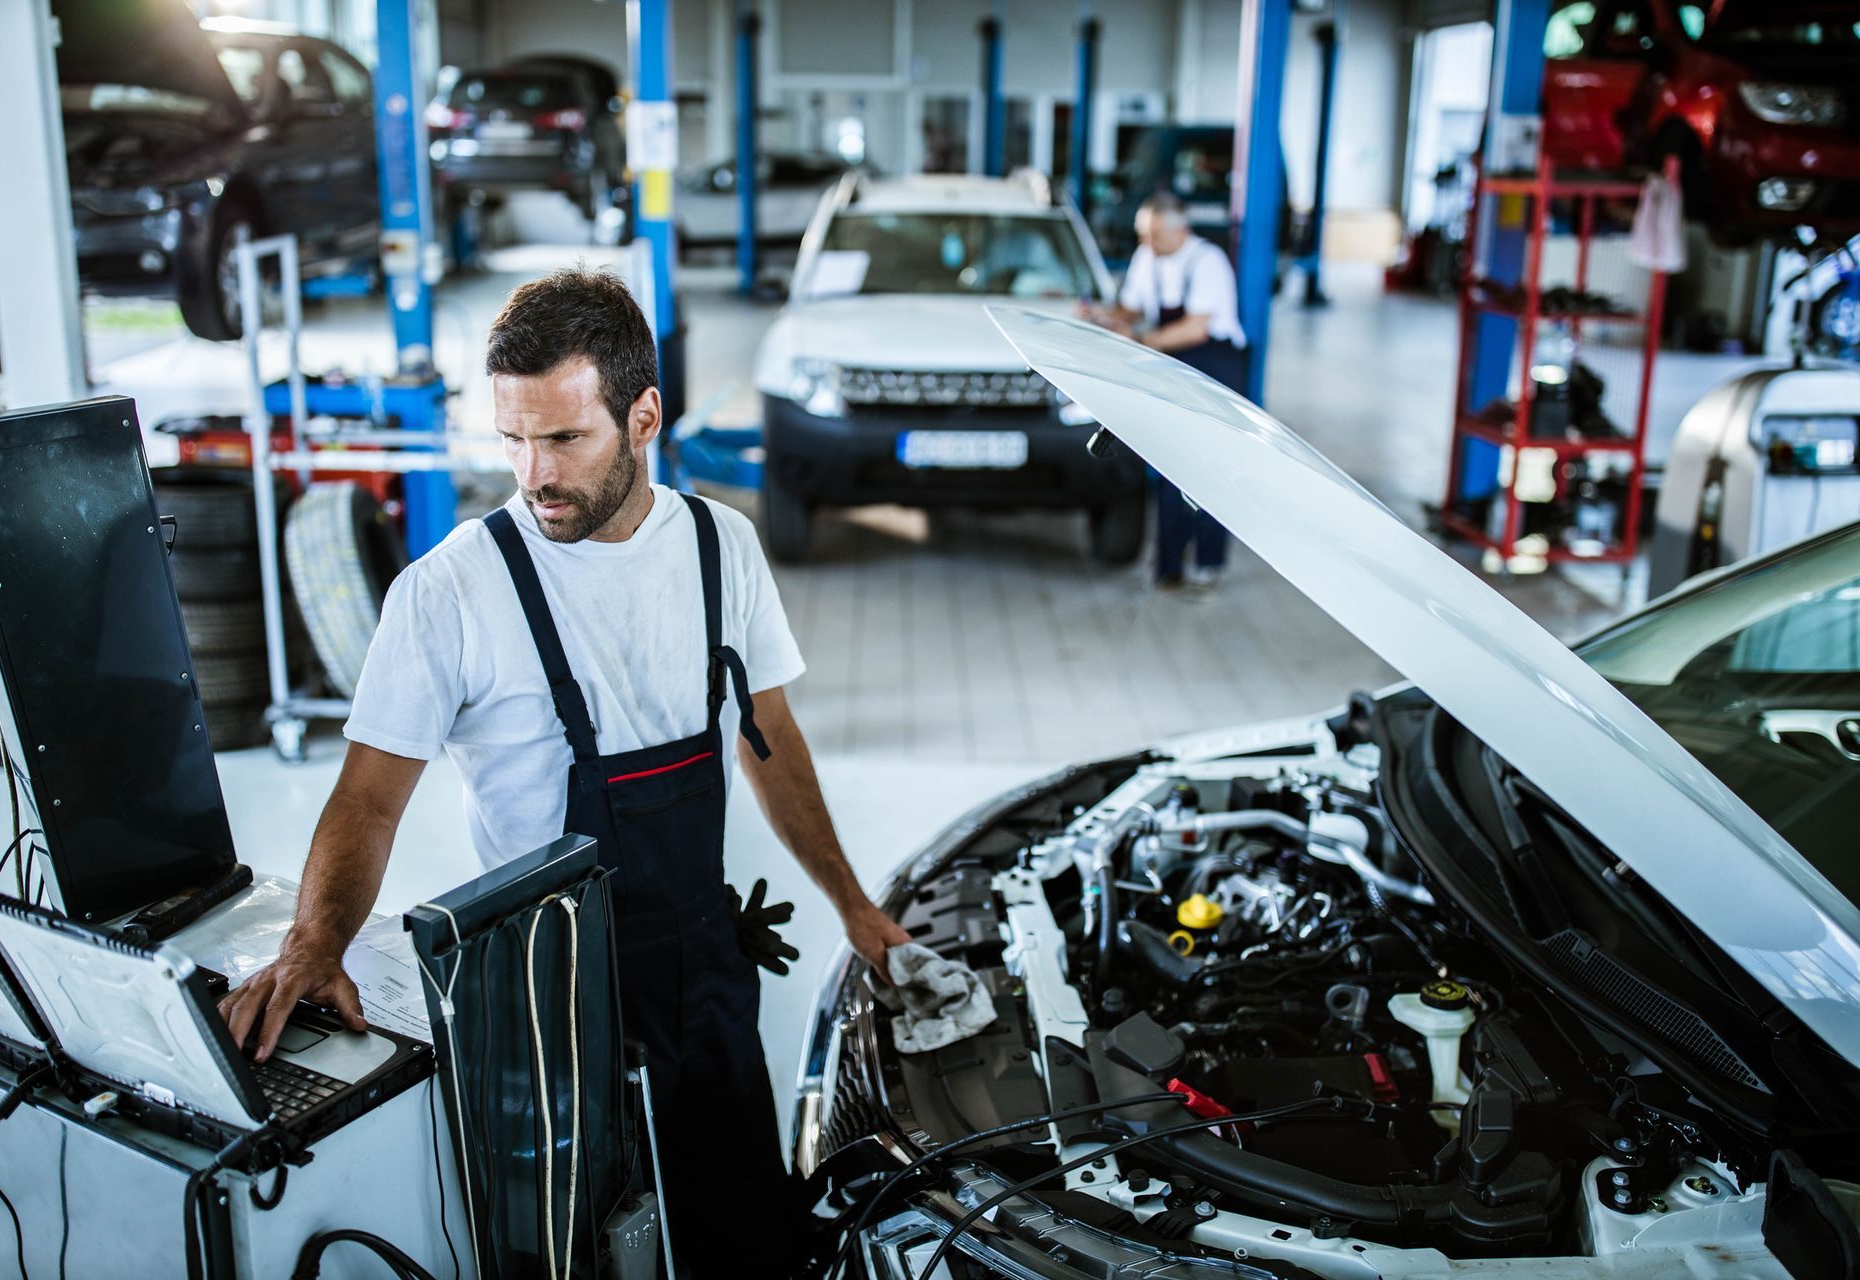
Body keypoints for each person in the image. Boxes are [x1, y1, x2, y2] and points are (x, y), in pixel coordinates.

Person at [217, 267, 910, 1278]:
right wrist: (314, 940)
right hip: (549, 1007)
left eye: (563, 439)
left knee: (746, 1233)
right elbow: (368, 791)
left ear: (644, 417)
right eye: (512, 439)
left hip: (705, 972)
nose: (533, 473)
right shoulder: (453, 589)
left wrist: (852, 902)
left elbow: (769, 731)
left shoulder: (725, 550)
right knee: (582, 1250)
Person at [1080, 191, 1248, 590]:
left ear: (1181, 230)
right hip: (1172, 366)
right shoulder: (1147, 258)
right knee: (1172, 463)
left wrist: (1141, 339)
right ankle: (1168, 566)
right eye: (1143, 235)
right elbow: (1134, 306)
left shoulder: (1209, 263)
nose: (1146, 243)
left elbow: (1197, 327)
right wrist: (1101, 316)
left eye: (1154, 235)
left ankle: (1208, 562)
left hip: (1214, 368)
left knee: (1210, 468)